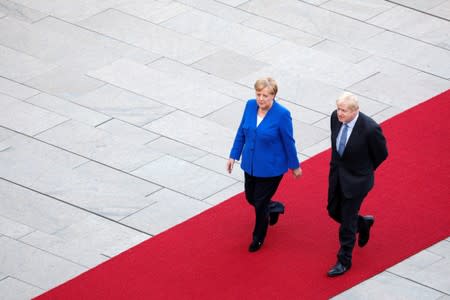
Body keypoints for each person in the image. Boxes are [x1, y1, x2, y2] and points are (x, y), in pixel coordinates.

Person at [226, 77, 302, 252]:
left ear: (273, 96)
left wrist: (295, 166)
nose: (261, 99)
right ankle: (274, 208)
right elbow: (241, 132)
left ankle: (258, 237)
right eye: (258, 94)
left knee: (260, 203)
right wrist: (233, 155)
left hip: (271, 168)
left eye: (265, 95)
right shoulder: (250, 105)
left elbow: (288, 141)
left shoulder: (282, 114)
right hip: (251, 164)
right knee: (251, 198)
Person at [327, 92, 388, 277]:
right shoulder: (334, 118)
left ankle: (344, 260)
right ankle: (362, 224)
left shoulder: (370, 128)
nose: (339, 113)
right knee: (332, 210)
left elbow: (381, 154)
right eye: (338, 108)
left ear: (355, 111)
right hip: (337, 175)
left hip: (357, 181)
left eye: (343, 110)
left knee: (346, 221)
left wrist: (364, 170)